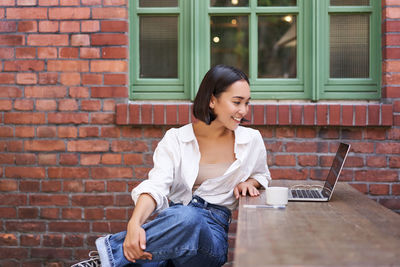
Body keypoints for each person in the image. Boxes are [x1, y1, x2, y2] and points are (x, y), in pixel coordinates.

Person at [72, 65, 271, 267]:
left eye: (247, 103)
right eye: (237, 102)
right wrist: (134, 223)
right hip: (173, 230)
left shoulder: (251, 140)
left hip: (210, 240)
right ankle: (111, 261)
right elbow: (156, 186)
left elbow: (262, 174)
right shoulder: (176, 138)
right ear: (212, 100)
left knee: (188, 217)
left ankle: (107, 259)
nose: (243, 110)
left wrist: (252, 182)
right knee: (178, 221)